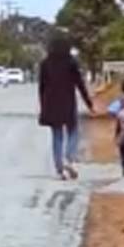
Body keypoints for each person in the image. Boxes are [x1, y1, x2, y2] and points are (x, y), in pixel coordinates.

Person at [38, 36, 95, 180]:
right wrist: (89, 104)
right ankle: (70, 158)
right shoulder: (71, 63)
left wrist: (43, 107)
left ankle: (60, 168)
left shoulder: (45, 64)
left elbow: (42, 88)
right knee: (73, 131)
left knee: (57, 136)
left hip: (51, 104)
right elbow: (80, 85)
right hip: (68, 103)